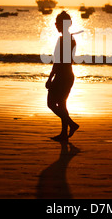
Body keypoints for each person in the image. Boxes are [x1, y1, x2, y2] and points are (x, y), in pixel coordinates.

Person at [46, 11, 79, 141]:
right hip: (66, 75)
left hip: (63, 76)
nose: (55, 25)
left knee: (51, 104)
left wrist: (50, 78)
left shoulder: (65, 40)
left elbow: (59, 62)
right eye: (55, 23)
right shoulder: (68, 38)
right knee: (62, 105)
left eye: (57, 23)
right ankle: (64, 134)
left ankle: (72, 124)